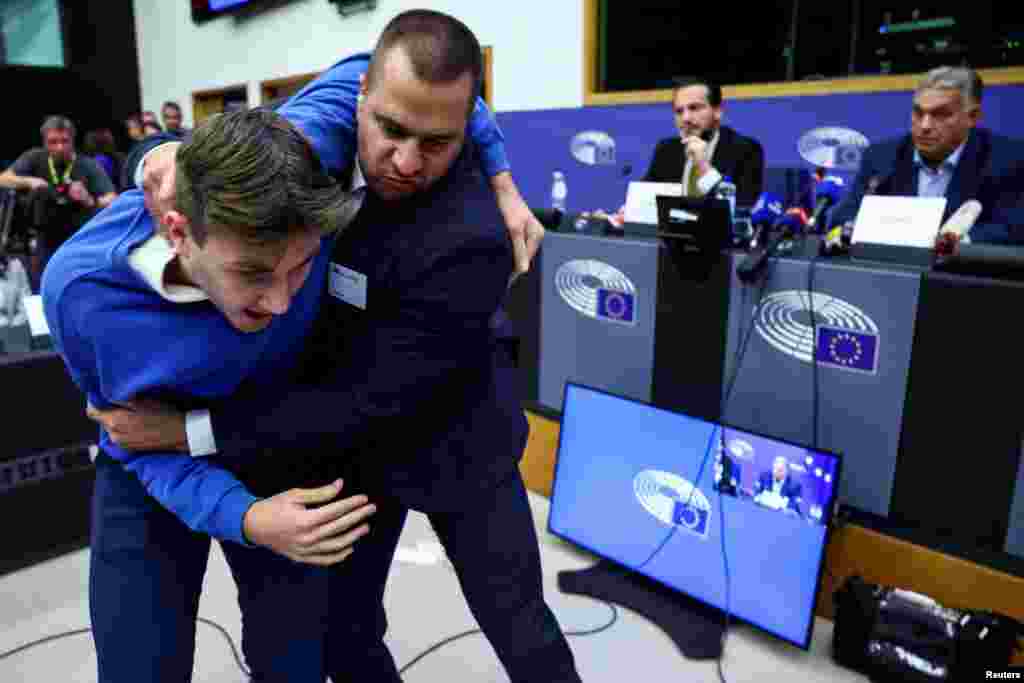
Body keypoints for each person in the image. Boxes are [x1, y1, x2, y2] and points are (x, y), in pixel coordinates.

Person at [95, 10, 580, 682]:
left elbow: (365, 399)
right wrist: (152, 158)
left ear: (467, 127)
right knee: (346, 632)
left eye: (435, 142)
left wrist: (186, 431)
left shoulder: (472, 239)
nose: (405, 162)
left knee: (519, 625)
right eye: (390, 129)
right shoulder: (318, 147)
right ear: (361, 101)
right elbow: (204, 163)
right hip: (354, 460)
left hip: (453, 441)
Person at [42, 109, 379, 683]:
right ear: (178, 231)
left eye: (299, 269)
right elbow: (136, 440)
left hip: (275, 439)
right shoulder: (84, 298)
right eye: (251, 274)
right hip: (152, 460)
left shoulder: (297, 159)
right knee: (138, 663)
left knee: (296, 655)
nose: (278, 304)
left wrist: (497, 173)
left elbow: (399, 63)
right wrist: (243, 516)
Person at [830, 66, 1024, 244]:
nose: (925, 126)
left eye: (940, 114)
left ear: (972, 116)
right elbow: (845, 216)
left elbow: (1013, 229)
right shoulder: (882, 156)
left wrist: (954, 243)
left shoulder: (1007, 159)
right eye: (918, 113)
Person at [588, 75, 765, 224]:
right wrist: (622, 216)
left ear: (717, 111)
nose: (686, 118)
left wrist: (703, 165)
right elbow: (645, 198)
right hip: (670, 247)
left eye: (695, 108)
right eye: (679, 111)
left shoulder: (745, 150)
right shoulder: (667, 150)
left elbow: (740, 215)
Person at [0, 116, 118, 291]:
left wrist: (89, 199)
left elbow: (113, 199)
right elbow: (3, 179)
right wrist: (30, 181)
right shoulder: (35, 157)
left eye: (65, 141)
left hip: (78, 236)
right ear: (45, 142)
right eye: (53, 142)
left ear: (73, 141)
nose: (60, 147)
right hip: (43, 236)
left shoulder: (86, 164)